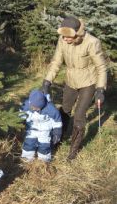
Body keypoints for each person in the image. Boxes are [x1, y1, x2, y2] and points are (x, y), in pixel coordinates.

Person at [42, 16, 107, 160]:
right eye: (63, 37)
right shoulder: (63, 40)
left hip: (88, 82)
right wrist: (47, 81)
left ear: (77, 33)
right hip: (71, 80)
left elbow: (101, 67)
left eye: (68, 37)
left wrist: (100, 89)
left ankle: (73, 149)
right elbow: (56, 61)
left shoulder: (92, 42)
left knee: (79, 115)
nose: (65, 40)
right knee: (64, 109)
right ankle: (57, 138)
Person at [20, 89, 62, 164]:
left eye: (36, 108)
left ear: (42, 105)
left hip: (44, 130)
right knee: (29, 143)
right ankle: (27, 158)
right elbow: (21, 114)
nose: (33, 109)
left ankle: (43, 161)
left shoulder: (50, 109)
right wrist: (20, 121)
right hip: (31, 129)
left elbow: (57, 121)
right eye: (32, 106)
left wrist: (57, 132)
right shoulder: (27, 105)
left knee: (44, 145)